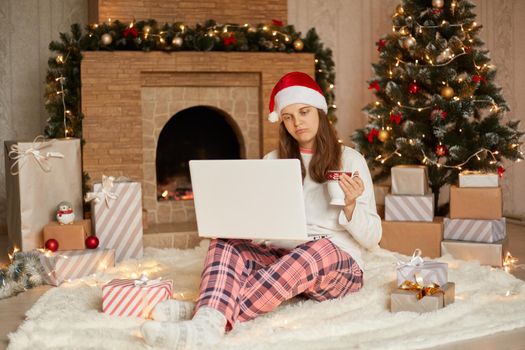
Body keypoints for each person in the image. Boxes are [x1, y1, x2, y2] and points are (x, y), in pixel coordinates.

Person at [141, 71, 382, 349]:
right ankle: (206, 324)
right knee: (225, 244)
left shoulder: (350, 160)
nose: (297, 123)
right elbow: (266, 224)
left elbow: (373, 238)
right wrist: (246, 225)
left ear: (319, 111)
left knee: (319, 249)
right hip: (285, 257)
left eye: (303, 112)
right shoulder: (274, 160)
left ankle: (207, 311)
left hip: (339, 264)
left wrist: (351, 206)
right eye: (288, 117)